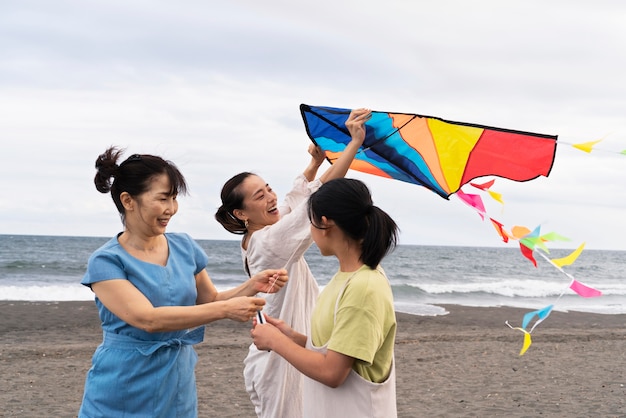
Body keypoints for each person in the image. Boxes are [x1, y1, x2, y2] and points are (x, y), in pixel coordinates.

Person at [78, 147, 288, 418]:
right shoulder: (106, 261)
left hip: (176, 379)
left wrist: (253, 284)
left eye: (174, 198)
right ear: (128, 201)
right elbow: (148, 319)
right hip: (123, 381)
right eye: (163, 199)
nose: (171, 209)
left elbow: (209, 300)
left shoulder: (183, 246)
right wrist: (225, 311)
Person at [215, 108, 371, 417]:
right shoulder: (269, 242)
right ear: (242, 214)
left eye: (268, 188)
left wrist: (314, 163)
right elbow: (316, 203)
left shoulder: (264, 231)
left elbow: (296, 200)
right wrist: (354, 144)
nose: (271, 197)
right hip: (279, 363)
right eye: (260, 196)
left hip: (287, 343)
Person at [251, 177, 399, 418]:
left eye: (310, 222)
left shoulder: (364, 287)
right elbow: (340, 347)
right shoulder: (345, 278)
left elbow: (333, 373)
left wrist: (275, 342)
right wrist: (291, 336)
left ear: (324, 223)